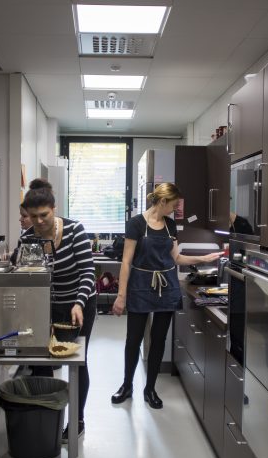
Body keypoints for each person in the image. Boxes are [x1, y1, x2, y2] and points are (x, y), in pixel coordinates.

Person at [112, 183, 222, 409]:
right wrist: (120, 295)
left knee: (159, 340)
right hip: (140, 285)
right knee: (133, 340)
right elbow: (126, 261)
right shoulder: (136, 224)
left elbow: (177, 259)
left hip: (167, 287)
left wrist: (203, 259)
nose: (175, 209)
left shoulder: (170, 225)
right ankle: (127, 385)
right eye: (173, 205)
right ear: (162, 202)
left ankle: (150, 388)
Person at [18, 178, 96, 441]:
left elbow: (87, 272)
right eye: (33, 216)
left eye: (44, 215)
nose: (38, 221)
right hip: (46, 307)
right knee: (41, 362)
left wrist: (78, 302)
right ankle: (46, 417)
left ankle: (77, 421)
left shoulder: (75, 230)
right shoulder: (28, 238)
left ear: (54, 208)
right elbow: (27, 277)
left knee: (76, 362)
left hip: (79, 303)